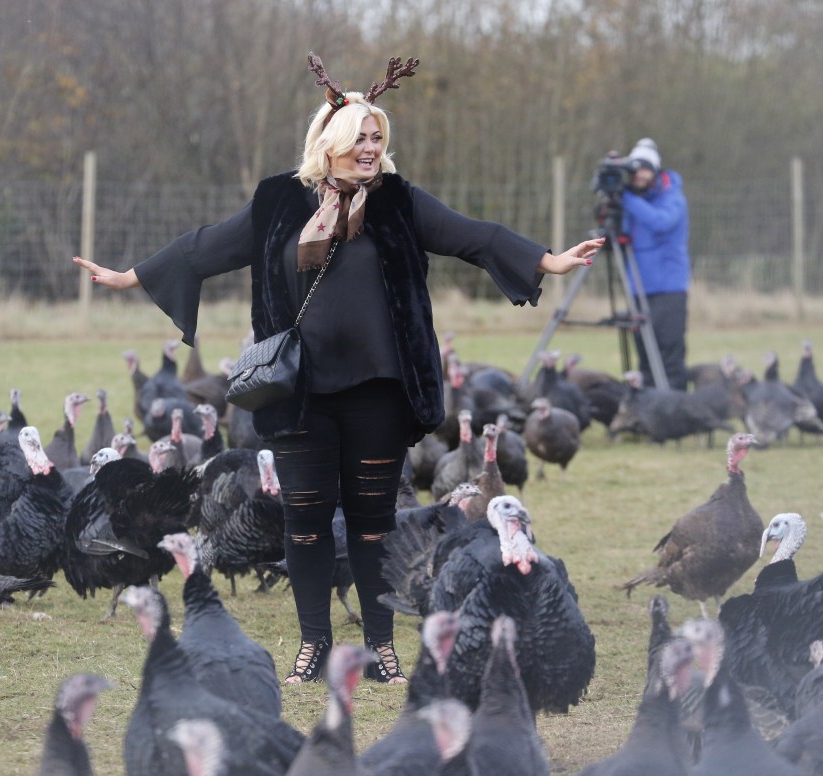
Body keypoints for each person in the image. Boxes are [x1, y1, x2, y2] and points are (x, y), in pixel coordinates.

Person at [74, 53, 602, 686]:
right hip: (299, 393)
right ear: (329, 145)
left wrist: (548, 261)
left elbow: (475, 235)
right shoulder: (279, 203)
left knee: (374, 524)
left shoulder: (399, 203)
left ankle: (380, 645)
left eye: (378, 138)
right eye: (359, 139)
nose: (371, 148)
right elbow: (205, 244)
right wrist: (129, 276)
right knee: (304, 520)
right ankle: (313, 644)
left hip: (379, 393)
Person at [621, 137, 691, 391]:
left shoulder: (673, 198)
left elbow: (661, 222)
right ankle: (649, 411)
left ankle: (676, 409)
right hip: (639, 288)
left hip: (669, 287)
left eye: (643, 169)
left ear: (654, 169)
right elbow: (621, 236)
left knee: (670, 350)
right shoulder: (633, 201)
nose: (638, 175)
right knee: (645, 356)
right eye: (634, 170)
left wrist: (627, 200)